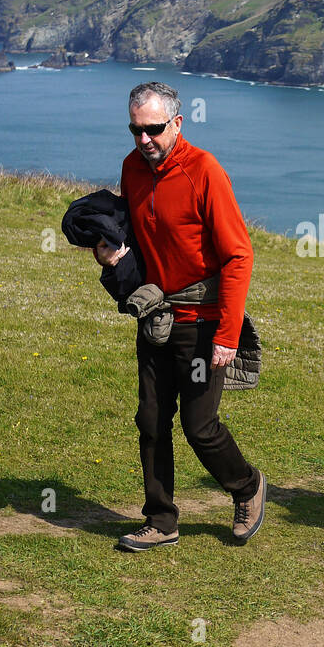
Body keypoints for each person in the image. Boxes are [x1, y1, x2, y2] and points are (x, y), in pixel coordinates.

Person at [95, 81, 265, 552]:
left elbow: (238, 256)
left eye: (152, 129)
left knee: (200, 427)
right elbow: (134, 236)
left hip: (202, 322)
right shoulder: (132, 168)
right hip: (156, 315)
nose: (143, 140)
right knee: (150, 419)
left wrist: (228, 335)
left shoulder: (205, 170)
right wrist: (110, 258)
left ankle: (247, 486)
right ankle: (161, 519)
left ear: (177, 123)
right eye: (135, 130)